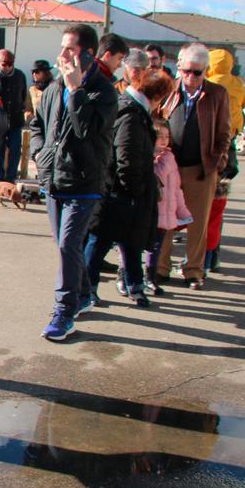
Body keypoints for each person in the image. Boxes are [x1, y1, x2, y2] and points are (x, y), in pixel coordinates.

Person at [33, 23, 119, 341]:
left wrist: (76, 91)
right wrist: (41, 153)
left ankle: (64, 312)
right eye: (63, 47)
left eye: (70, 48)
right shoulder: (55, 87)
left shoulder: (103, 91)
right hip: (54, 179)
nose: (63, 54)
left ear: (89, 53)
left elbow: (86, 130)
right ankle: (83, 293)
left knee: (70, 245)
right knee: (65, 247)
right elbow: (38, 121)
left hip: (84, 183)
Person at [84, 57, 173, 308]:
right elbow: (127, 155)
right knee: (100, 240)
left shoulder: (131, 109)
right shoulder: (132, 114)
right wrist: (134, 190)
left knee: (129, 241)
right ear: (159, 96)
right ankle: (88, 288)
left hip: (121, 190)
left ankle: (133, 284)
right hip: (119, 192)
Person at [155, 42, 231, 289]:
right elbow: (155, 122)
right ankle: (160, 267)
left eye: (197, 72)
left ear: (206, 71)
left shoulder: (217, 94)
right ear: (179, 67)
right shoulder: (168, 90)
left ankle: (194, 271)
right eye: (187, 70)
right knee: (165, 218)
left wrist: (216, 165)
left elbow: (223, 134)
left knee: (198, 223)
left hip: (201, 168)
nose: (191, 77)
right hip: (169, 167)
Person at [205, 47, 245, 269]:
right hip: (228, 148)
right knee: (218, 207)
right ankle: (213, 258)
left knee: (205, 210)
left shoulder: (209, 85)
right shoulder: (237, 83)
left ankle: (201, 259)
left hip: (209, 150)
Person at [146, 120, 193, 295]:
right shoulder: (152, 158)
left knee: (156, 246)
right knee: (144, 245)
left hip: (167, 211)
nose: (164, 140)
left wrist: (182, 210)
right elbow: (157, 175)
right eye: (160, 137)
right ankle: (134, 276)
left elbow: (176, 188)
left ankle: (151, 277)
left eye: (167, 136)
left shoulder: (170, 157)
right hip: (152, 210)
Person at [0, 49, 28, 183]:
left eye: (10, 64)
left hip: (15, 119)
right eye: (4, 64)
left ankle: (11, 177)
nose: (7, 67)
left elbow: (23, 95)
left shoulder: (20, 76)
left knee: (15, 149)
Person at [27, 59, 54, 163]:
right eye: (33, 72)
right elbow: (27, 108)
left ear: (45, 72)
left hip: (52, 125)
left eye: (37, 72)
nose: (34, 74)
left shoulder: (54, 87)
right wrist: (29, 116)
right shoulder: (32, 90)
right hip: (38, 125)